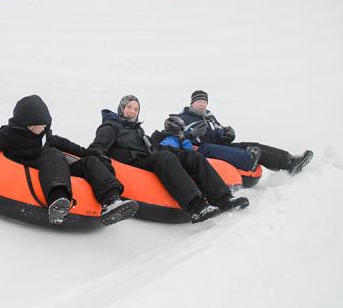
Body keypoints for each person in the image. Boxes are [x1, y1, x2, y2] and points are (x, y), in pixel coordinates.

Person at [0, 95, 139, 225]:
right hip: (38, 169)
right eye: (41, 125)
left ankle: (111, 201)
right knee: (53, 153)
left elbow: (64, 143)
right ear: (27, 125)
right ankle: (58, 200)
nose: (45, 128)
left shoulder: (45, 133)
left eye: (46, 124)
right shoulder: (10, 136)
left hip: (57, 168)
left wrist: (87, 152)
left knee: (91, 162)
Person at [88, 95, 249, 223]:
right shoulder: (111, 126)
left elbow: (155, 146)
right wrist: (100, 160)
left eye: (135, 109)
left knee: (191, 155)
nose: (132, 111)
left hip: (148, 156)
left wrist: (179, 152)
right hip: (133, 162)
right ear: (121, 108)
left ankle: (223, 199)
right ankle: (195, 206)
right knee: (164, 157)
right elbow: (97, 146)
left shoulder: (138, 130)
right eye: (129, 107)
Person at [178, 90, 313, 175]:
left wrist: (227, 134)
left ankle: (288, 161)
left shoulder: (209, 117)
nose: (202, 104)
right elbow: (176, 136)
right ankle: (248, 160)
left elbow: (220, 135)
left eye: (204, 102)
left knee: (249, 145)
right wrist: (192, 134)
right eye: (199, 101)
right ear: (192, 103)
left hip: (217, 146)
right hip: (200, 150)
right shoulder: (183, 118)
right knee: (211, 147)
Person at [151, 115, 262, 172]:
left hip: (191, 154)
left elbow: (185, 141)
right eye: (180, 128)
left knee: (210, 148)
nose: (182, 130)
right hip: (189, 159)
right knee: (208, 148)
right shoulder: (169, 140)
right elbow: (172, 154)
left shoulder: (177, 137)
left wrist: (188, 138)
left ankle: (245, 156)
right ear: (174, 128)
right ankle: (248, 160)